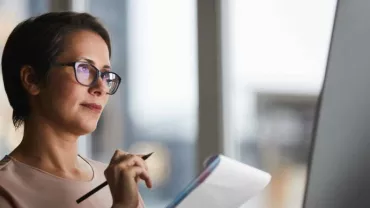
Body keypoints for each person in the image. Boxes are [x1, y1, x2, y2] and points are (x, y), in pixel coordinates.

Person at [0, 11, 152, 208]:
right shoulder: (5, 189)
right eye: (84, 69)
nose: (101, 87)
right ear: (32, 79)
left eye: (106, 75)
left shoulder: (116, 184)